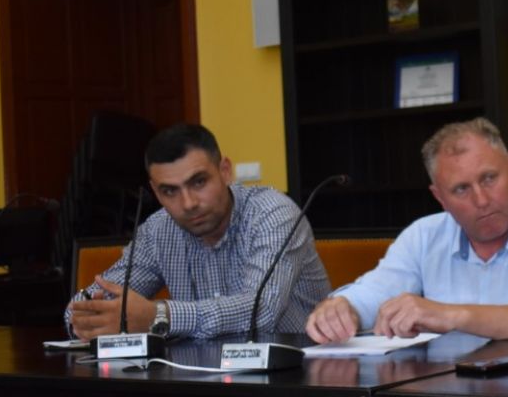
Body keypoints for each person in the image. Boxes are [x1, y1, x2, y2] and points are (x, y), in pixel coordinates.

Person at [305, 118, 508, 343]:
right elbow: (376, 291)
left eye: (489, 178)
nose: (481, 200)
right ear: (440, 197)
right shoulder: (423, 236)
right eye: (461, 189)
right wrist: (344, 308)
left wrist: (451, 315)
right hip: (447, 390)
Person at [66, 123, 331, 339]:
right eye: (170, 191)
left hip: (298, 371)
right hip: (201, 374)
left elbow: (261, 311)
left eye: (199, 182)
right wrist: (90, 317)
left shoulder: (273, 214)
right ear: (155, 192)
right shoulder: (158, 230)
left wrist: (161, 316)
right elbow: (79, 308)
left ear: (225, 171)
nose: (188, 203)